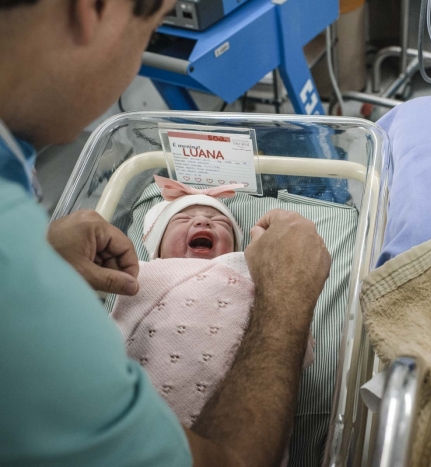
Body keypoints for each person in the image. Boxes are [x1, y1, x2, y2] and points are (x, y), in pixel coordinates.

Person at [0, 1, 331, 466]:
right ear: (93, 9)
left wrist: (40, 251)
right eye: (152, 36)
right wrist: (288, 298)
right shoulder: (36, 276)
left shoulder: (19, 229)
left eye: (219, 220)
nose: (204, 223)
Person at [111, 176, 314, 434]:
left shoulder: (250, 274)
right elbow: (114, 331)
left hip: (242, 405)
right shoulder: (147, 272)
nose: (203, 221)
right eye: (182, 219)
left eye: (220, 222)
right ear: (157, 249)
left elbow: (287, 325)